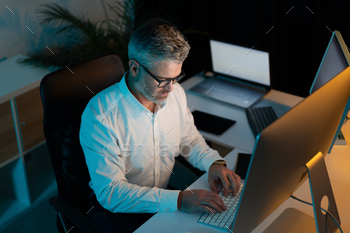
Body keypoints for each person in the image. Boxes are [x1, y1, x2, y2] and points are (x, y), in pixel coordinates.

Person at [79, 18, 241, 233]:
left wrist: (214, 163)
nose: (171, 89)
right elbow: (111, 193)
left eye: (175, 78)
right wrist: (179, 200)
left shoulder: (174, 93)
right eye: (163, 80)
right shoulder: (100, 116)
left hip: (165, 197)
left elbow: (188, 139)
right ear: (135, 67)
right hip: (118, 209)